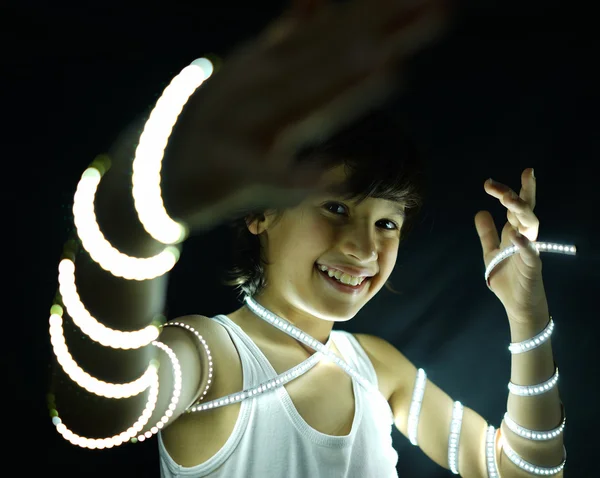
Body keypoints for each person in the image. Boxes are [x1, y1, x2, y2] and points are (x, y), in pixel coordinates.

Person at [48, 1, 567, 477]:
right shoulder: (213, 358)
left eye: (387, 223)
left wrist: (529, 315)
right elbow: (98, 411)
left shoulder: (377, 368)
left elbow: (524, 473)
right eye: (336, 207)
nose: (364, 249)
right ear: (259, 213)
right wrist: (133, 209)